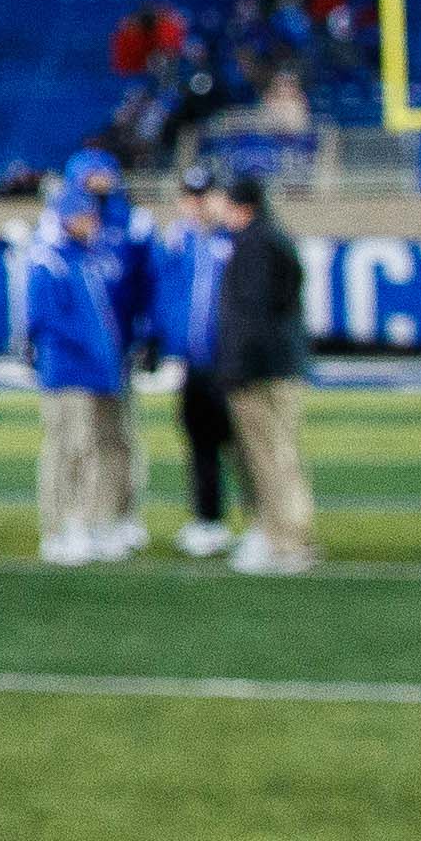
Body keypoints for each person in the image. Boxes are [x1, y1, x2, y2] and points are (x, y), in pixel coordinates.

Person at [11, 151, 139, 565]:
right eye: (85, 215)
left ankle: (88, 522)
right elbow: (44, 319)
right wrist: (87, 351)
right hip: (67, 372)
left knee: (96, 449)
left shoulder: (85, 259)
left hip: (97, 371)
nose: (94, 222)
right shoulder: (50, 259)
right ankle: (58, 527)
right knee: (66, 450)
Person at [210, 172, 318, 576]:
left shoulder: (253, 243)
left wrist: (237, 366)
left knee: (267, 458)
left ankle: (283, 543)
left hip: (260, 369)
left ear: (241, 205)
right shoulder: (275, 237)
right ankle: (295, 536)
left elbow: (250, 313)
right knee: (283, 454)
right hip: (281, 362)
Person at [149, 162, 241, 555]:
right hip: (194, 364)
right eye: (191, 197)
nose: (197, 204)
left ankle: (263, 523)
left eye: (203, 196)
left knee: (245, 446)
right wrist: (162, 344)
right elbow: (167, 296)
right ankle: (208, 521)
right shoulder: (178, 240)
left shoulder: (235, 238)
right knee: (200, 444)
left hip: (232, 363)